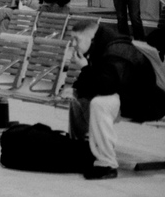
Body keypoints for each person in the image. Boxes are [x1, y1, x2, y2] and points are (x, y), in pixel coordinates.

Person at [67, 20, 165, 179]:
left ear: (91, 36)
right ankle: (82, 149)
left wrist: (84, 68)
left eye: (77, 39)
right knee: (78, 94)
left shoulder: (117, 50)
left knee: (100, 104)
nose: (73, 44)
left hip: (148, 102)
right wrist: (76, 87)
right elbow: (97, 82)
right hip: (127, 96)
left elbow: (105, 86)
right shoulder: (100, 45)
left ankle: (106, 165)